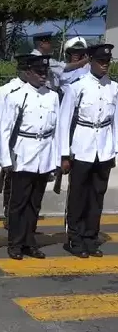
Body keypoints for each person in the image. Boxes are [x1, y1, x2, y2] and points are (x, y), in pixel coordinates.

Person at [58, 44, 118, 258]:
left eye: (107, 62)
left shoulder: (114, 88)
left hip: (104, 149)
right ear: (91, 61)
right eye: (101, 62)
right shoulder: (77, 87)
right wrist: (64, 154)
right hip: (82, 147)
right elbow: (64, 122)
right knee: (78, 196)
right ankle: (74, 237)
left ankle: (90, 237)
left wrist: (115, 150)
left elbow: (116, 121)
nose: (104, 66)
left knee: (97, 196)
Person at [0, 54, 60, 260]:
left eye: (45, 72)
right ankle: (15, 243)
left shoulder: (53, 96)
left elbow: (57, 131)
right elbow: (5, 130)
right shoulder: (17, 95)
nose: (43, 76)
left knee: (35, 203)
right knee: (18, 203)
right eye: (39, 72)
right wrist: (5, 159)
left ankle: (29, 241)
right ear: (28, 73)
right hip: (23, 154)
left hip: (44, 156)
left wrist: (56, 160)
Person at [0, 55, 32, 229]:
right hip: (13, 142)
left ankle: (24, 217)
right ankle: (9, 214)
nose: (27, 72)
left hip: (33, 146)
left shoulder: (41, 89)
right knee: (11, 182)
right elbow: (1, 121)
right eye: (24, 69)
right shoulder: (7, 90)